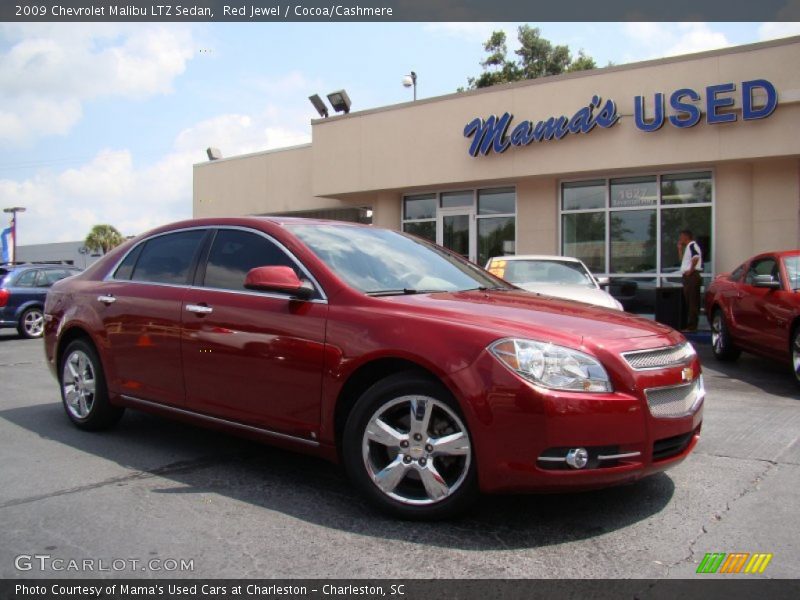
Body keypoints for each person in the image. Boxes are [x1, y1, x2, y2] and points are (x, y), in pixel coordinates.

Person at [678, 229, 703, 332]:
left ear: (685, 237)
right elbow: (682, 262)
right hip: (688, 277)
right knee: (688, 301)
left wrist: (691, 270)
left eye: (681, 237)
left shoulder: (692, 245)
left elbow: (696, 257)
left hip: (692, 277)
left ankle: (692, 327)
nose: (680, 239)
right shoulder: (687, 248)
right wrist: (679, 249)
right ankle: (689, 325)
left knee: (693, 302)